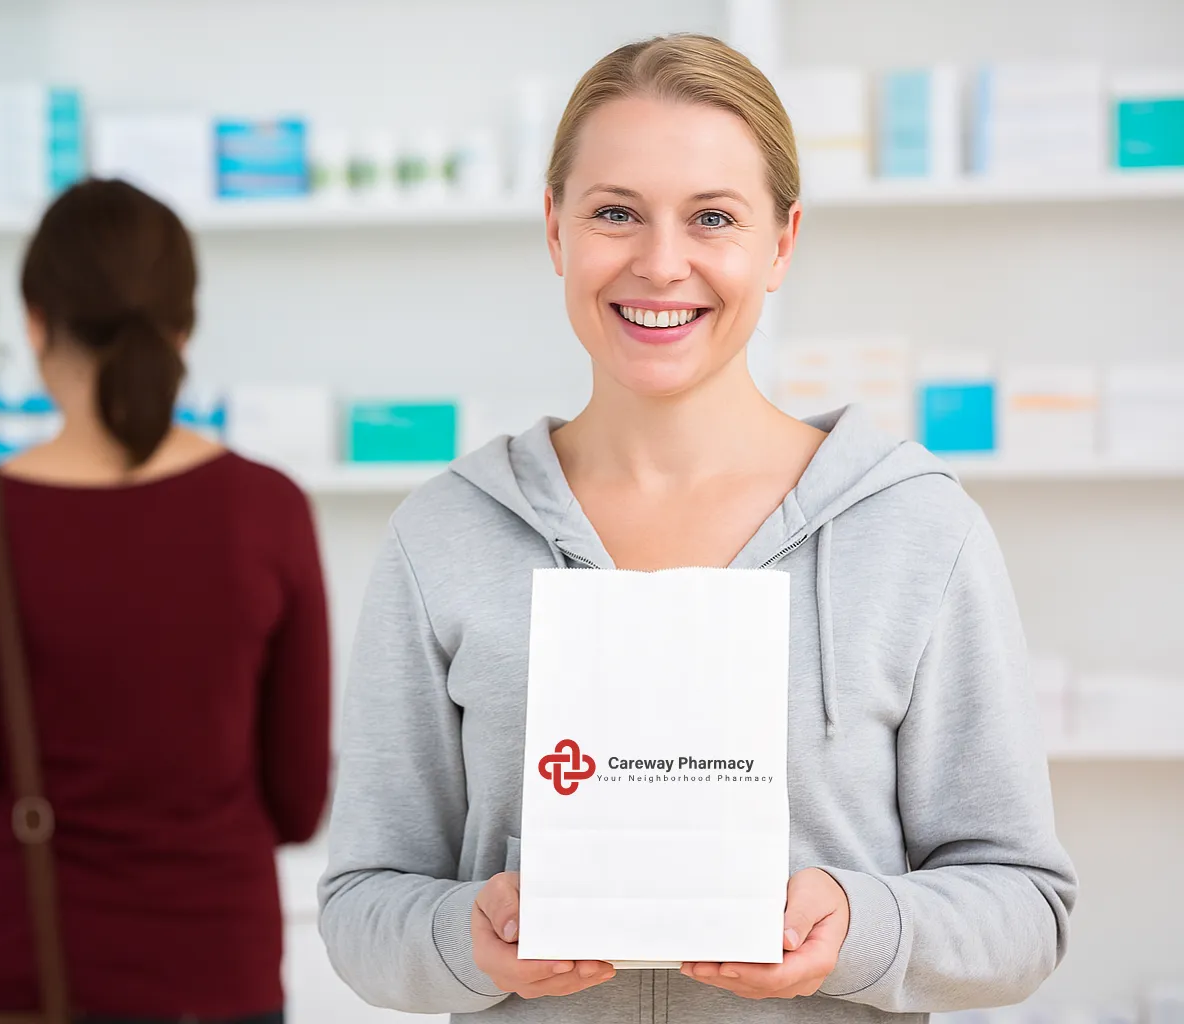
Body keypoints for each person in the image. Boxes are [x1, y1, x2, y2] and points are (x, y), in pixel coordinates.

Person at [319, 33, 1077, 1023]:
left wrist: (856, 924)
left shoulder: (919, 531)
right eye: (615, 214)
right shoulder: (445, 537)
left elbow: (1027, 906)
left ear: (782, 243)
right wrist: (465, 936)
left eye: (712, 217)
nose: (661, 262)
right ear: (555, 230)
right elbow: (362, 903)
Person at [0, 178, 331, 1024]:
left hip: (30, 966)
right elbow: (296, 797)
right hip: (219, 971)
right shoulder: (268, 509)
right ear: (184, 327)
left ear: (33, 322)